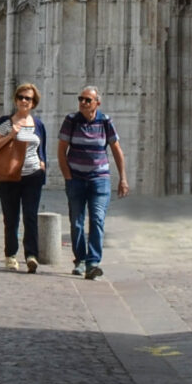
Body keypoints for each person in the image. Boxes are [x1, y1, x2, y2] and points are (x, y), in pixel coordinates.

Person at [58, 85, 128, 278]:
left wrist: (123, 178)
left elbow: (116, 150)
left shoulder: (105, 122)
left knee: (97, 219)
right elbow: (61, 149)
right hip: (76, 179)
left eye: (87, 100)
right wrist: (67, 176)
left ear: (97, 102)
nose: (83, 103)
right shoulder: (71, 121)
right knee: (77, 222)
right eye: (80, 99)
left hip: (100, 179)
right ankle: (80, 259)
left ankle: (93, 262)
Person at [0, 83, 48, 270]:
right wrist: (10, 135)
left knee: (30, 216)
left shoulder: (38, 124)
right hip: (9, 176)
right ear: (15, 100)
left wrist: (42, 163)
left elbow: (41, 147)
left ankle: (31, 255)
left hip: (32, 176)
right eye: (20, 97)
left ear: (33, 102)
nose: (23, 101)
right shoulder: (6, 122)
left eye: (27, 98)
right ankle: (11, 255)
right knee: (11, 218)